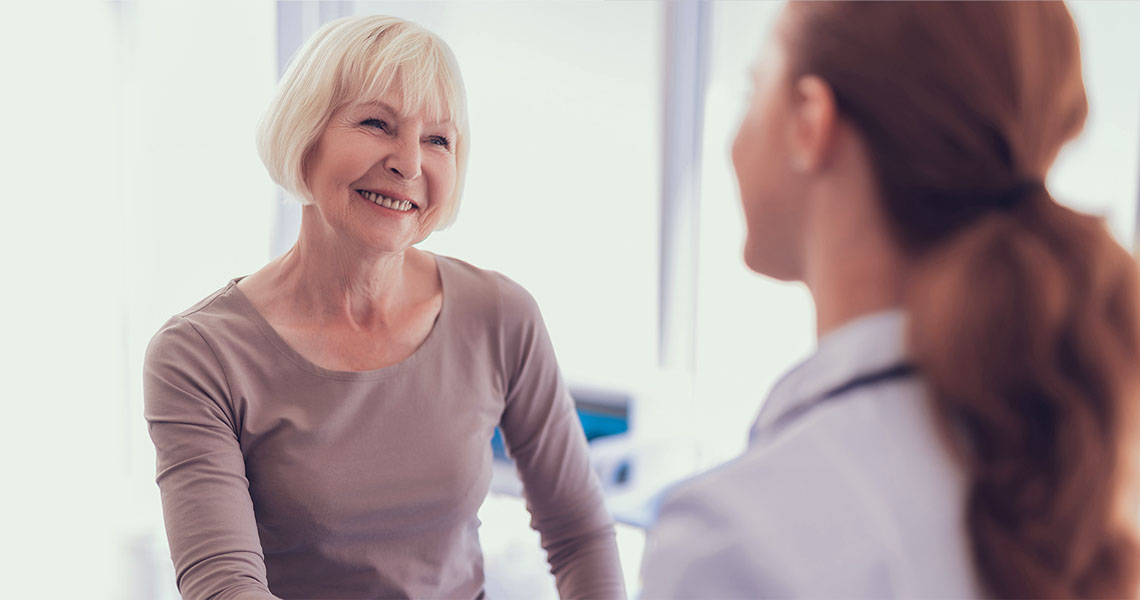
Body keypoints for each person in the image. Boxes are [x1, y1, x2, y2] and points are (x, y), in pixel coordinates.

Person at [641, 2, 1140, 598]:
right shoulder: (1068, 478)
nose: (735, 134)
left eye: (755, 86)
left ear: (810, 121)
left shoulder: (736, 542)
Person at [144, 15, 625, 600]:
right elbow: (225, 587)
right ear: (306, 135)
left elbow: (580, 534)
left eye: (437, 139)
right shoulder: (200, 356)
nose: (410, 164)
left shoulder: (500, 315)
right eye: (377, 123)